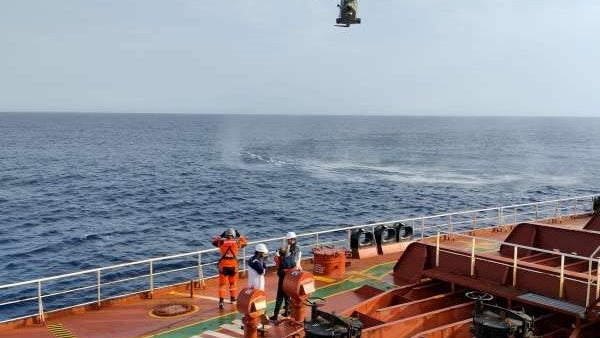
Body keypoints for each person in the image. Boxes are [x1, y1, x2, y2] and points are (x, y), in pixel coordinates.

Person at [212, 227, 248, 309]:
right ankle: (232, 299)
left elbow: (214, 242)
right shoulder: (237, 243)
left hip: (223, 267)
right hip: (233, 267)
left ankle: (221, 302)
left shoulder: (221, 242)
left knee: (222, 285)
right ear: (233, 235)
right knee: (233, 283)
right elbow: (245, 242)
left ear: (226, 235)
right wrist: (239, 235)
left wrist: (221, 236)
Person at [270, 232, 302, 320]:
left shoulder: (293, 250)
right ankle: (285, 312)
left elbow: (288, 261)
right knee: (287, 295)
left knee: (282, 295)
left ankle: (279, 314)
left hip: (287, 275)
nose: (289, 241)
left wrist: (279, 256)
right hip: (290, 275)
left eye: (289, 240)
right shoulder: (293, 249)